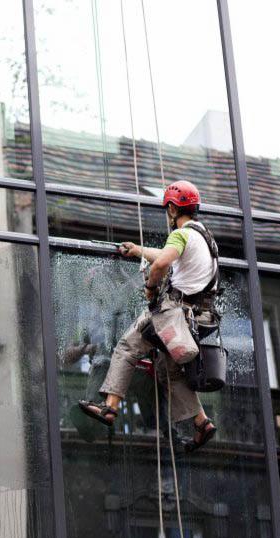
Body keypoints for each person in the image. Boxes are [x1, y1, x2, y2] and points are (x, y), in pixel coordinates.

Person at [78, 180, 219, 452]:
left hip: (173, 313)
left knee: (127, 346)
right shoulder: (203, 237)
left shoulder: (180, 234)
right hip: (198, 316)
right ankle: (202, 423)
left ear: (172, 208)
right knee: (171, 372)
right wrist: (139, 250)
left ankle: (110, 407)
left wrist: (151, 288)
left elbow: (163, 262)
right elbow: (168, 255)